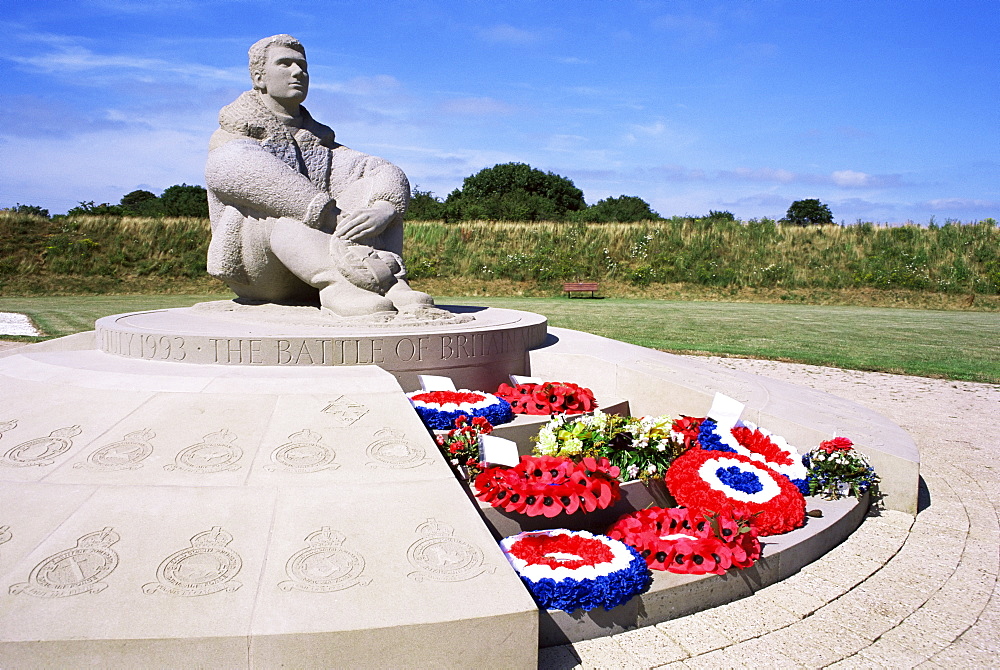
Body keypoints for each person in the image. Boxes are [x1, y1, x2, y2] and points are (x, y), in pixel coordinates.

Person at [205, 34, 434, 318]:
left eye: (302, 66)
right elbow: (235, 166)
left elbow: (382, 170)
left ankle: (386, 281)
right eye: (285, 64)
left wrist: (383, 208)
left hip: (319, 261)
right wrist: (327, 214)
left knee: (373, 191)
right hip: (264, 274)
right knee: (274, 202)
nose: (297, 72)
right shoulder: (232, 136)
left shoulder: (318, 141)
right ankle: (338, 284)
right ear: (259, 78)